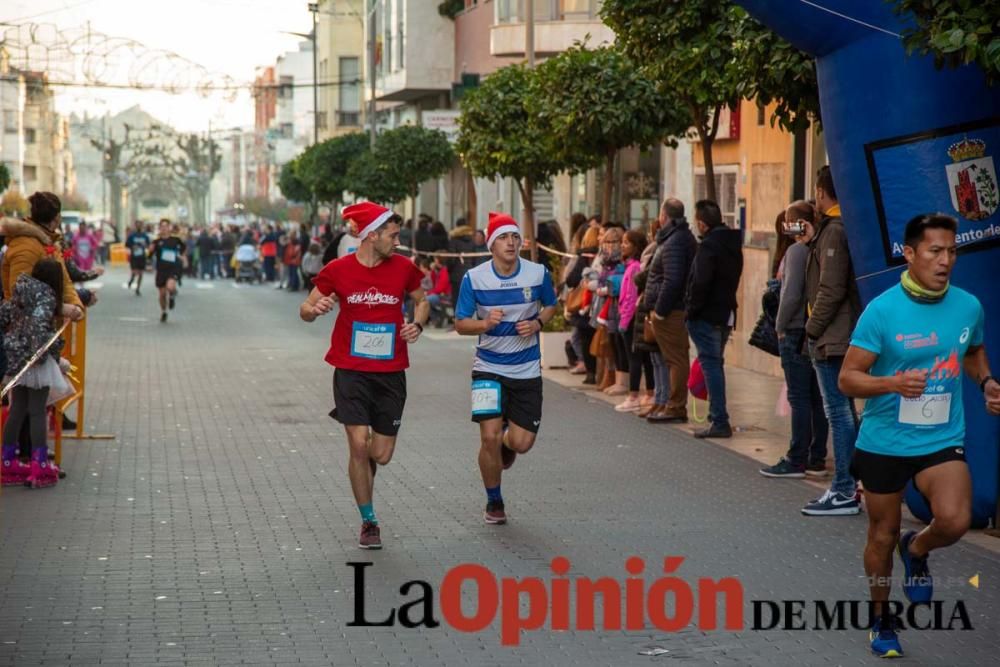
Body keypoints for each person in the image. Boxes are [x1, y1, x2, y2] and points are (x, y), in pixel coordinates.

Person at [839, 213, 1000, 658]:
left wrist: (985, 382)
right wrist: (891, 383)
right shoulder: (882, 311)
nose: (945, 260)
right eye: (935, 251)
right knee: (882, 533)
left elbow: (972, 350)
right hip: (884, 440)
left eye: (952, 251)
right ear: (909, 254)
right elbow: (847, 379)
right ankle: (881, 619)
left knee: (955, 519)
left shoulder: (968, 305)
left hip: (940, 436)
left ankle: (920, 546)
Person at [299, 201, 429, 550]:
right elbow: (306, 308)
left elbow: (422, 300)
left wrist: (417, 324)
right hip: (350, 370)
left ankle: (363, 469)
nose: (398, 242)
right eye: (393, 235)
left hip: (390, 372)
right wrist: (316, 309)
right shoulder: (338, 270)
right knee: (358, 445)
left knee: (380, 454)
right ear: (371, 235)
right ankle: (369, 521)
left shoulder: (403, 268)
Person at [455, 212, 558, 525]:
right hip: (488, 368)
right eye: (503, 237)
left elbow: (551, 305)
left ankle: (504, 441)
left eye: (514, 237)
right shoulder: (474, 279)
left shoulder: (538, 273)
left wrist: (538, 322)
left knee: (522, 444)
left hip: (526, 371)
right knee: (487, 438)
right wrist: (485, 324)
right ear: (491, 245)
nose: (511, 243)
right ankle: (494, 500)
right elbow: (460, 324)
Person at [802, 165, 863, 516]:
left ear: (822, 192)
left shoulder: (835, 231)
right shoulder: (832, 230)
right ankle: (847, 485)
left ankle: (843, 488)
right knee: (843, 412)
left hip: (833, 336)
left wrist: (811, 330)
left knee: (838, 412)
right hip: (836, 334)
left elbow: (831, 288)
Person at [761, 202, 829, 478]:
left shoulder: (796, 250)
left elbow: (790, 294)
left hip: (795, 330)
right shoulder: (815, 247)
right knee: (815, 397)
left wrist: (779, 325)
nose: (785, 227)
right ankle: (816, 456)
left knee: (799, 396)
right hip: (814, 329)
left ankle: (797, 457)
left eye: (789, 221)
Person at [0, 260, 74, 488]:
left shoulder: (20, 290)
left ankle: (7, 460)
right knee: (36, 412)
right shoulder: (46, 296)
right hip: (36, 360)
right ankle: (39, 464)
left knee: (17, 409)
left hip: (15, 356)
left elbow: (4, 318)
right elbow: (41, 329)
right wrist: (53, 353)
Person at [685, 199, 744, 438]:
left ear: (701, 223)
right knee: (715, 364)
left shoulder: (709, 246)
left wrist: (691, 310)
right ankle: (716, 416)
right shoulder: (732, 244)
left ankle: (720, 419)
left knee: (711, 365)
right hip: (725, 311)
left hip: (707, 315)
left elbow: (700, 282)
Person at [646, 198, 698, 423]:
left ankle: (675, 406)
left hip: (671, 311)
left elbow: (673, 280)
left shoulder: (675, 241)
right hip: (672, 308)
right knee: (671, 359)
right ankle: (670, 403)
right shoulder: (674, 238)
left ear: (664, 217)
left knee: (676, 359)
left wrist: (659, 310)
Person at [614, 230, 653, 412]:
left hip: (631, 319)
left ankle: (634, 395)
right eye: (622, 242)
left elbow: (631, 297)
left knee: (635, 357)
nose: (623, 245)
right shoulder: (630, 266)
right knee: (641, 357)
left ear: (636, 247)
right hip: (629, 317)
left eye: (626, 243)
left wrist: (624, 321)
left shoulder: (635, 267)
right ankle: (648, 394)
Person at [150, 219, 186, 323]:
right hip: (161, 269)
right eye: (162, 226)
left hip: (173, 268)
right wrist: (150, 251)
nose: (164, 228)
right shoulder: (156, 242)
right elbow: (149, 256)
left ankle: (173, 294)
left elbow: (183, 248)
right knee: (162, 294)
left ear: (169, 227)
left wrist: (182, 256)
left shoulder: (175, 240)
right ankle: (164, 311)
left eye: (166, 226)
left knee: (170, 287)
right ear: (160, 228)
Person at [125, 220, 151, 296]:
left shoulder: (145, 236)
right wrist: (133, 247)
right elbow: (126, 245)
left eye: (140, 225)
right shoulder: (132, 235)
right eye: (137, 225)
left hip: (142, 256)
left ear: (142, 226)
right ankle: (132, 279)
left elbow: (148, 245)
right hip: (134, 256)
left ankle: (138, 289)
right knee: (134, 272)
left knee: (141, 273)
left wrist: (145, 246)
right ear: (135, 226)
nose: (139, 227)